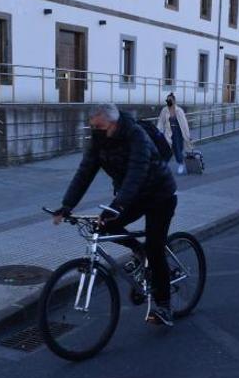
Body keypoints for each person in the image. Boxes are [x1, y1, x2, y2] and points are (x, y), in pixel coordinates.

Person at [52, 104, 178, 326]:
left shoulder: (136, 136)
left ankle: (164, 305)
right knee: (103, 226)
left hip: (159, 195)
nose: (96, 131)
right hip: (131, 197)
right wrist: (67, 205)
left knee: (155, 247)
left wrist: (117, 205)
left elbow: (136, 173)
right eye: (93, 127)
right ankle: (139, 251)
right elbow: (85, 172)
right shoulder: (98, 140)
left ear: (114, 123)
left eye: (99, 127)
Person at [156, 93, 193, 174]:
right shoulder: (164, 110)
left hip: (178, 132)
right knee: (166, 149)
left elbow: (184, 124)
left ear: (174, 100)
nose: (168, 101)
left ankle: (180, 164)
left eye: (170, 100)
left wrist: (188, 135)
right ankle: (164, 165)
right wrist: (158, 131)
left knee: (177, 148)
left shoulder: (179, 110)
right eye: (167, 100)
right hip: (168, 131)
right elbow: (161, 121)